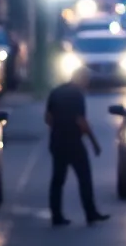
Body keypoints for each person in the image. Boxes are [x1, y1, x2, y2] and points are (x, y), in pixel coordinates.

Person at [46, 68, 108, 226]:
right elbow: (81, 121)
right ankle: (90, 213)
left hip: (57, 142)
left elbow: (48, 118)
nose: (87, 83)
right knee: (84, 178)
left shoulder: (56, 92)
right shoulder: (77, 95)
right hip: (73, 142)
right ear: (81, 79)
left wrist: (58, 129)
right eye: (86, 80)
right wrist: (94, 143)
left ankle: (56, 215)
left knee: (57, 180)